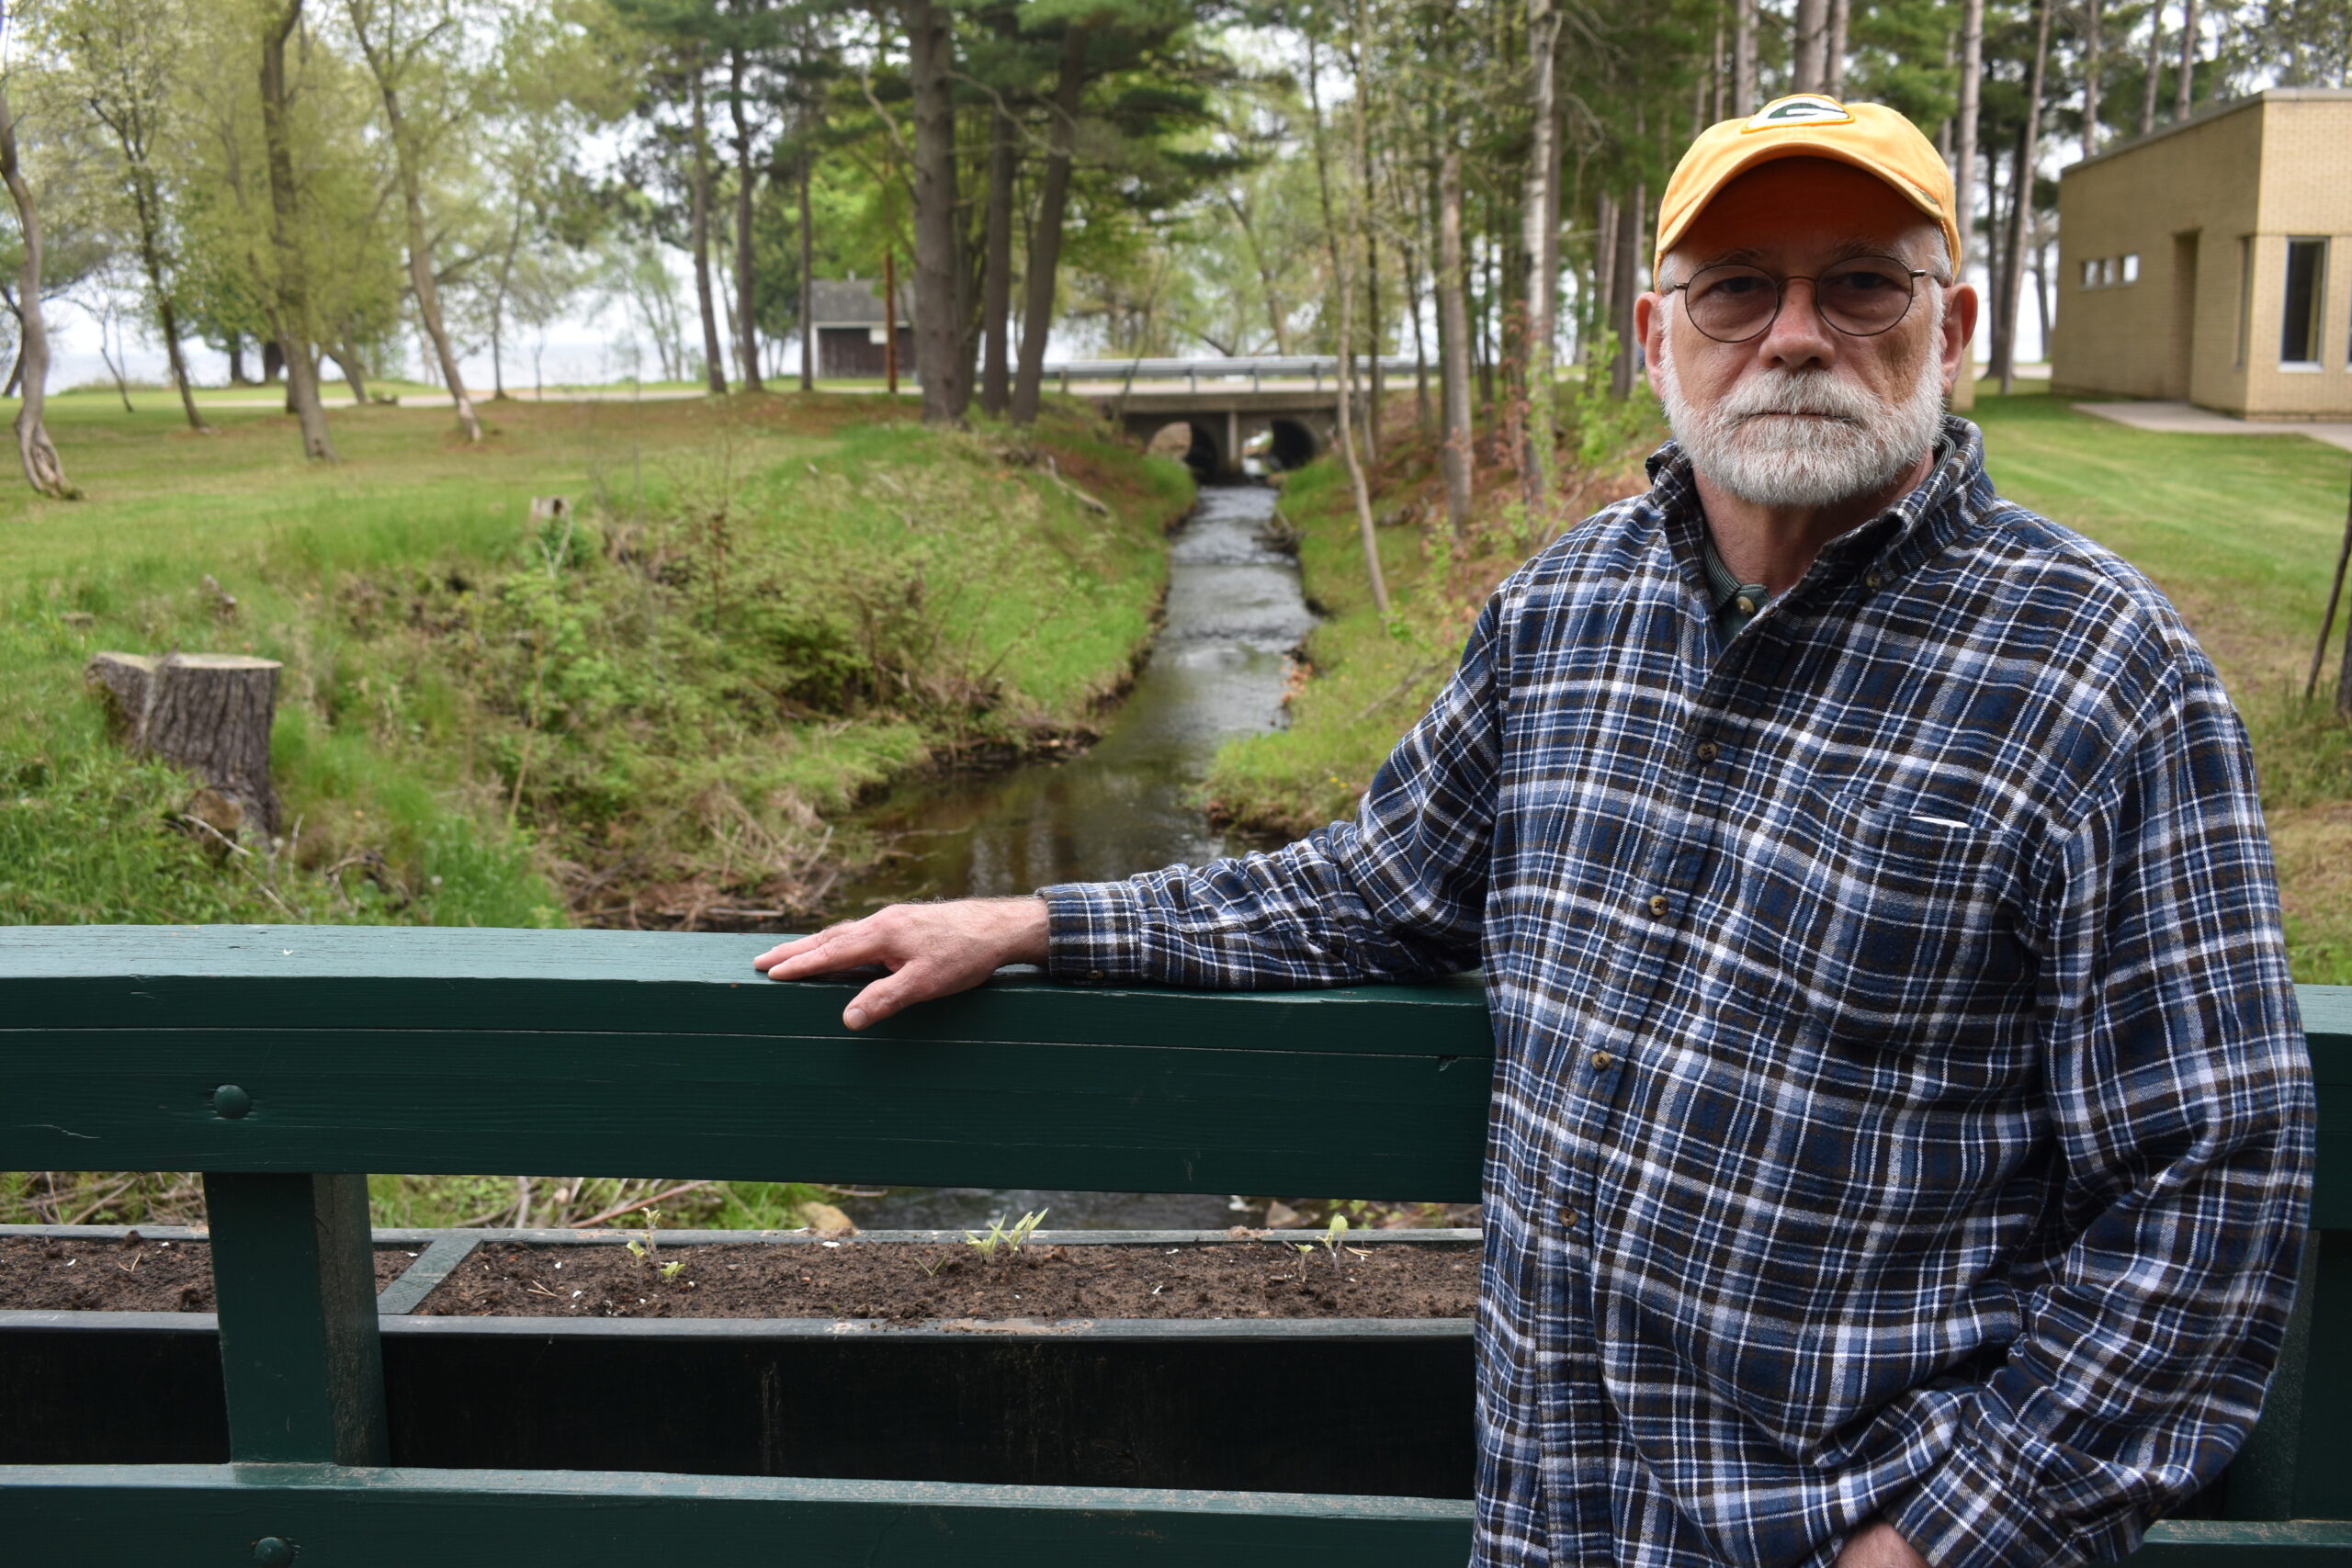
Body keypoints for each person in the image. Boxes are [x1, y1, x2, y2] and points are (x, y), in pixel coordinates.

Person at [754, 96, 2313, 1568]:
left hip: (1837, 1521)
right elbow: (1374, 891)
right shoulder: (1567, 609)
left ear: (1952, 330)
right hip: (1559, 1506)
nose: (1792, 336)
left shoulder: (2102, 677)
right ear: (1659, 336)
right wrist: (1034, 921)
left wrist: (1946, 1534)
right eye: (1733, 292)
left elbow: (2213, 1181)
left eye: (1861, 286)